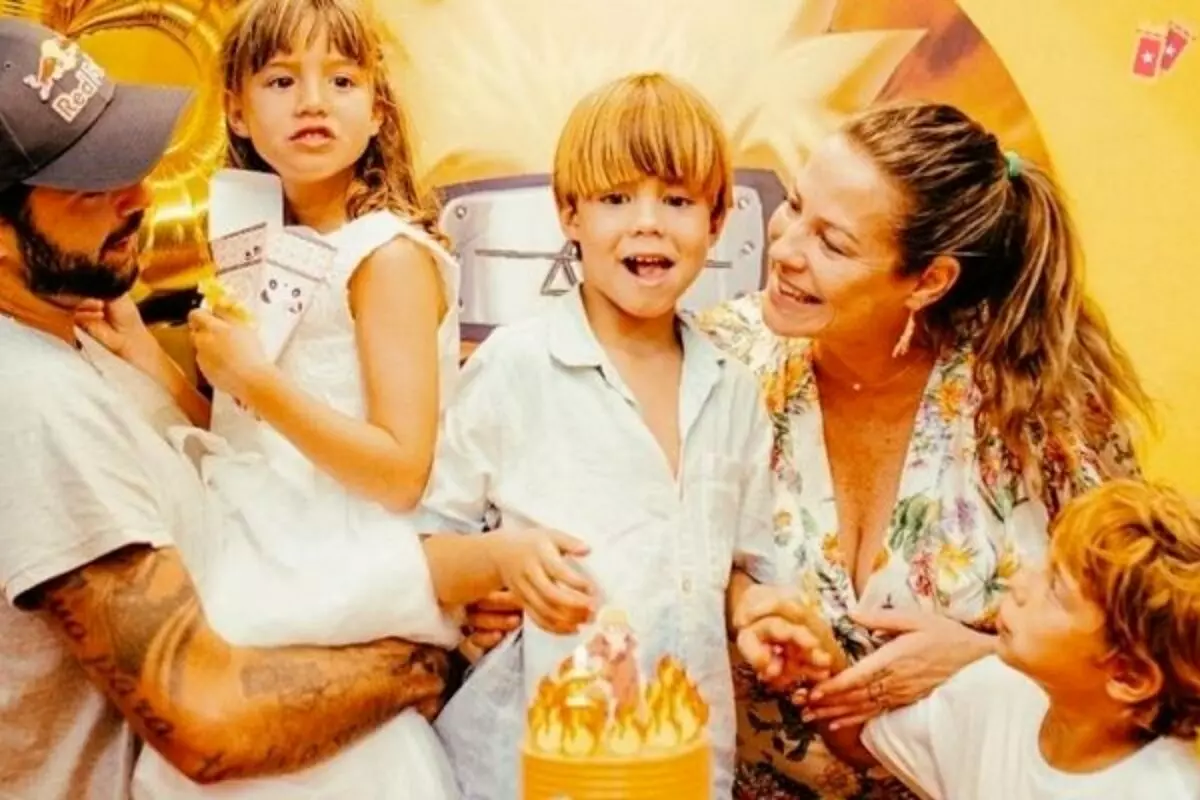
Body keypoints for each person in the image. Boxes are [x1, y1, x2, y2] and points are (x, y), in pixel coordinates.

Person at [110, 0, 595, 797]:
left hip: (337, 586)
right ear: (236, 108)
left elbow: (401, 471)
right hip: (251, 567)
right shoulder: (258, 248)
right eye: (281, 81)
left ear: (376, 110)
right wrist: (148, 360)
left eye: (341, 80)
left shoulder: (386, 256)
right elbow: (253, 441)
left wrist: (254, 378)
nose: (313, 101)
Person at [0, 16, 447, 800]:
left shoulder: (83, 344)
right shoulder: (36, 398)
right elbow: (208, 721)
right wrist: (420, 663)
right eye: (92, 185)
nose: (139, 197)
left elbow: (237, 452)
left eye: (129, 161)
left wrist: (152, 366)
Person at [695, 101, 1154, 797]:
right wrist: (744, 600)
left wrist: (990, 662)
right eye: (794, 206)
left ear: (928, 281)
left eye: (832, 244)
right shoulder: (717, 362)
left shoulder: (1038, 405)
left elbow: (1143, 650)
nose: (785, 248)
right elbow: (644, 546)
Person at [422, 71, 794, 799]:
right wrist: (500, 558)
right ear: (570, 214)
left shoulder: (733, 390)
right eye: (617, 199)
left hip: (685, 760)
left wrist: (752, 609)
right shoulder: (514, 366)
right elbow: (429, 553)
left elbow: (739, 563)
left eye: (677, 201)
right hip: (532, 764)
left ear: (717, 222)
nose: (648, 223)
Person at [753, 479, 1200, 799]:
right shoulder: (994, 689)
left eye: (1056, 591)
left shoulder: (1165, 790)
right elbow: (863, 745)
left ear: (1128, 676)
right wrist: (820, 657)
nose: (1021, 583)